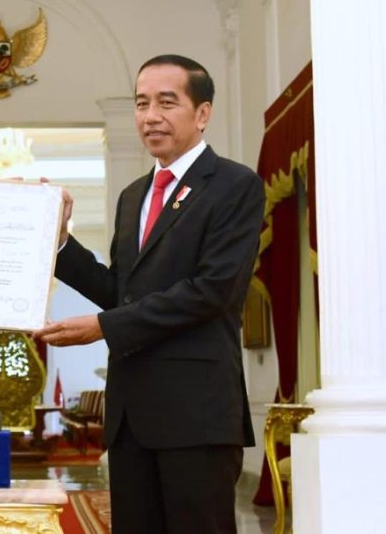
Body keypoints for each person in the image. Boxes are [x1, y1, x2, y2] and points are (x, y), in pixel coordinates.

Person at [34, 55, 265, 533]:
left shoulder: (234, 185)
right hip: (131, 416)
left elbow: (212, 291)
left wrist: (102, 328)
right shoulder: (133, 196)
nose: (150, 116)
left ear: (202, 113)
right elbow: (121, 291)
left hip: (196, 414)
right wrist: (59, 242)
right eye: (141, 104)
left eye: (166, 102)